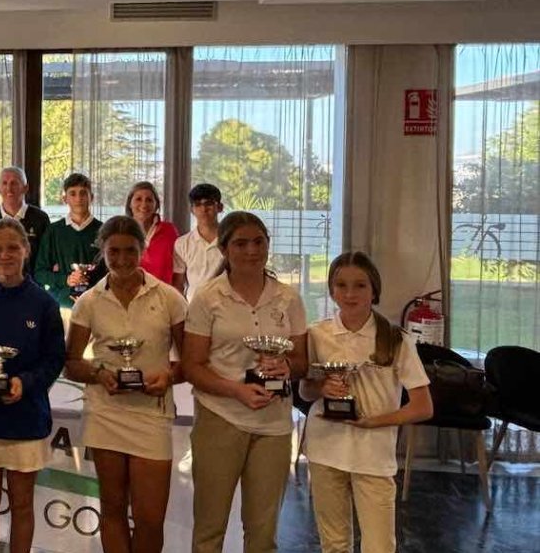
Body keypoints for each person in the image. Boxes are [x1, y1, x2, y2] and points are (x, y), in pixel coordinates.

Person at [182, 211, 309, 553]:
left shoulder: (289, 298)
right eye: (241, 243)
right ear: (224, 249)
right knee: (210, 528)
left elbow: (301, 362)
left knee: (263, 533)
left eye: (258, 242)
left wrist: (286, 367)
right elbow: (192, 367)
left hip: (274, 426)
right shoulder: (208, 298)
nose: (251, 250)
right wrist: (236, 390)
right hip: (220, 418)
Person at [63, 216, 187, 553]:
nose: (121, 259)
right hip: (106, 413)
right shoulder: (88, 301)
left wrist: (169, 377)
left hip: (151, 415)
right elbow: (72, 363)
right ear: (102, 252)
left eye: (130, 251)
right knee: (113, 510)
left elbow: (191, 362)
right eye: (113, 251)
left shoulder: (169, 298)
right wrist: (99, 373)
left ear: (142, 250)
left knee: (149, 518)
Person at [300, 252, 433, 553]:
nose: (350, 294)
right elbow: (306, 392)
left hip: (373, 456)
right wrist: (321, 387)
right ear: (331, 290)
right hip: (326, 450)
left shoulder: (397, 340)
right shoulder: (316, 334)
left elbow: (423, 407)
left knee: (379, 546)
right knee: (333, 544)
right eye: (341, 285)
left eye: (360, 285)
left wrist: (374, 421)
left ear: (374, 289)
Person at [0, 219, 65, 553]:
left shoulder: (43, 304)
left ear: (26, 250)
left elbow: (54, 358)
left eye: (13, 247)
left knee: (22, 506)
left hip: (27, 417)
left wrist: (25, 382)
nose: (5, 255)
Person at [34, 172, 103, 318]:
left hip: (97, 306)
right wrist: (66, 279)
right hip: (62, 306)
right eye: (73, 193)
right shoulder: (54, 231)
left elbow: (109, 272)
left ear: (92, 197)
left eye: (83, 193)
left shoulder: (103, 231)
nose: (78, 198)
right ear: (65, 198)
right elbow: (40, 273)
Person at [0, 167, 50, 275]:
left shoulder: (40, 218)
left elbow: (46, 258)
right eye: (4, 183)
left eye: (14, 183)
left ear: (25, 188)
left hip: (32, 284)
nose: (9, 188)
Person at [172, 183, 224, 302]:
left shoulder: (231, 240)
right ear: (192, 210)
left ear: (220, 207)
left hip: (226, 307)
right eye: (198, 205)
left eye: (209, 203)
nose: (203, 209)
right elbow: (178, 283)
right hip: (194, 307)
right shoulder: (182, 243)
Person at [124, 181, 179, 285]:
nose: (144, 204)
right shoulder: (121, 232)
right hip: (129, 295)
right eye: (138, 199)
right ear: (130, 204)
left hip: (163, 296)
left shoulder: (169, 231)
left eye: (149, 200)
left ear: (156, 205)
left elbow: (178, 269)